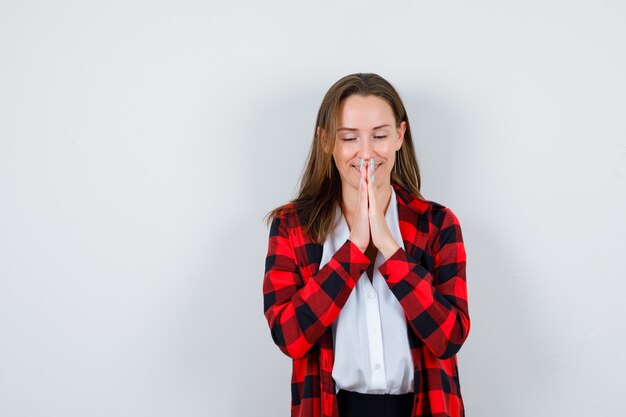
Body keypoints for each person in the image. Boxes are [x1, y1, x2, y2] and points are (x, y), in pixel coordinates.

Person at [262, 73, 470, 417]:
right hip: (332, 407)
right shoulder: (291, 227)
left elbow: (449, 338)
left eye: (380, 136)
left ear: (400, 136)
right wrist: (354, 250)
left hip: (423, 407)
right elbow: (289, 338)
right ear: (327, 140)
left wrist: (390, 248)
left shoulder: (438, 224)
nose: (366, 152)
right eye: (349, 137)